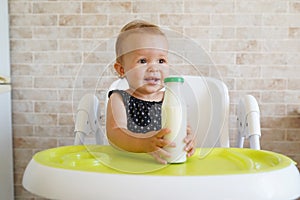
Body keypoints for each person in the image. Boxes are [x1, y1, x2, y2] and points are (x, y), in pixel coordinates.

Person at [106, 20, 195, 164]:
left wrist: (188, 140)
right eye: (142, 61)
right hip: (129, 167)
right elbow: (115, 134)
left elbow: (183, 129)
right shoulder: (119, 99)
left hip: (166, 167)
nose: (154, 68)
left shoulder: (172, 100)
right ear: (122, 69)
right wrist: (143, 143)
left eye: (161, 60)